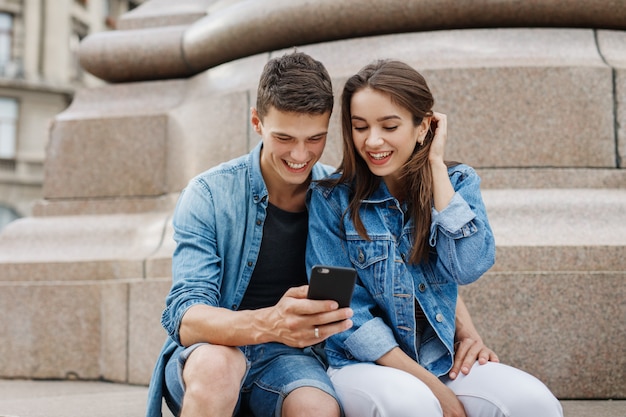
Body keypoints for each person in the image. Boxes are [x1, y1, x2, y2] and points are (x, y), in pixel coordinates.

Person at [146, 51, 506, 417]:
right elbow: (185, 316)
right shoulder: (210, 193)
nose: (300, 155)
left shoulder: (340, 196)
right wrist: (270, 322)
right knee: (218, 368)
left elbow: (413, 262)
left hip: (291, 356)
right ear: (257, 122)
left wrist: (466, 331)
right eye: (284, 137)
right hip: (214, 348)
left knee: (317, 408)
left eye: (315, 138)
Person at [306, 59, 564, 417]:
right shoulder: (330, 200)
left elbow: (468, 267)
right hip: (359, 364)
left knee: (533, 404)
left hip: (438, 356)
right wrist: (432, 388)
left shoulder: (457, 183)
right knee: (413, 406)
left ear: (423, 125)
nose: (373, 140)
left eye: (389, 125)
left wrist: (436, 167)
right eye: (360, 127)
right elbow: (345, 316)